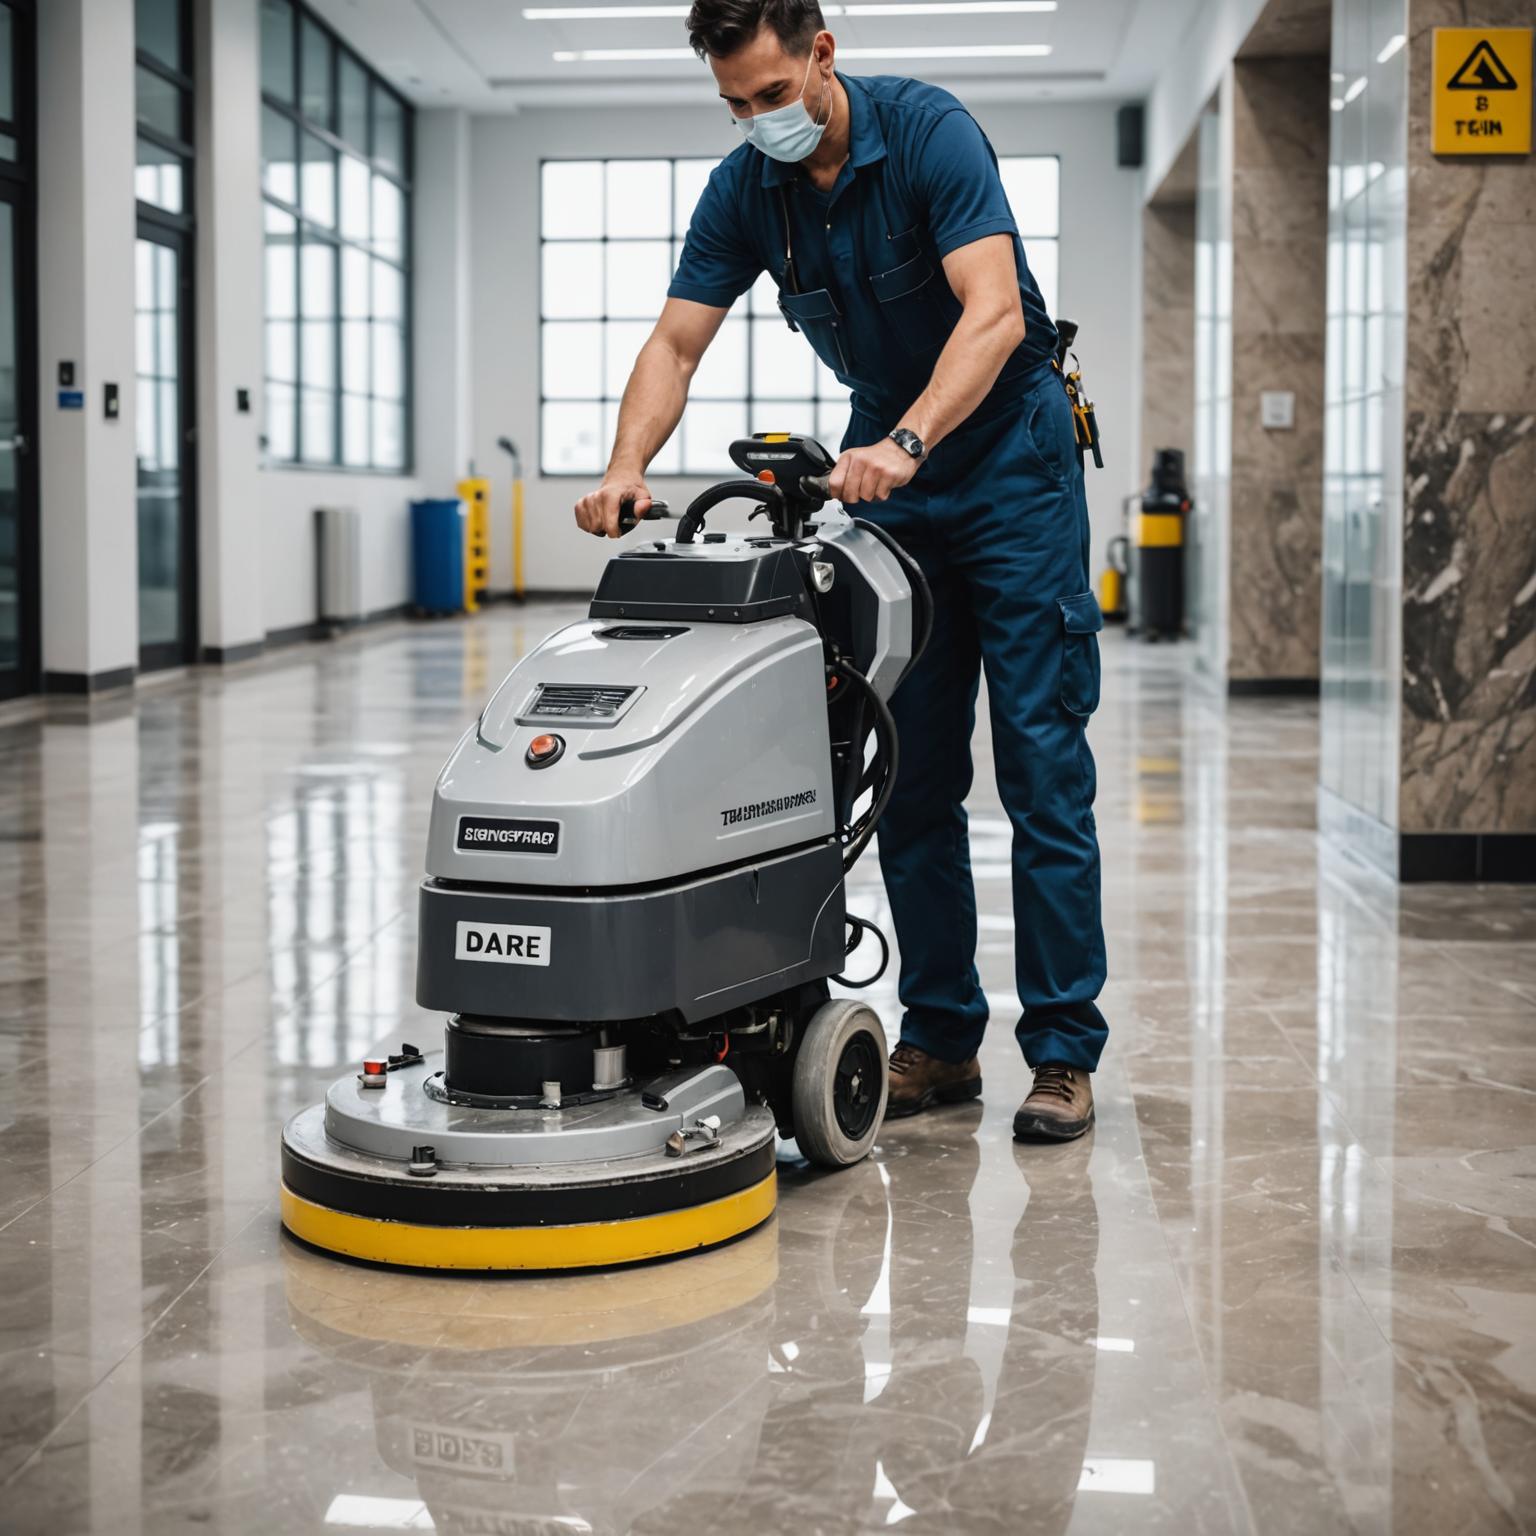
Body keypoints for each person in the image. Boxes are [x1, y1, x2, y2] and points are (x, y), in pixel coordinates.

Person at [573, 0, 1107, 1141]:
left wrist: (907, 443)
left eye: (770, 94)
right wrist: (625, 464)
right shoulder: (745, 191)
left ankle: (1061, 1051)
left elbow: (997, 312)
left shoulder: (929, 136)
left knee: (1041, 767)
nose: (755, 119)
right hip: (895, 482)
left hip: (1009, 463)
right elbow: (677, 341)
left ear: (823, 54)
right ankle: (942, 1038)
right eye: (733, 103)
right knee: (906, 772)